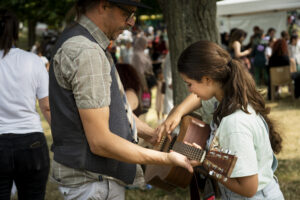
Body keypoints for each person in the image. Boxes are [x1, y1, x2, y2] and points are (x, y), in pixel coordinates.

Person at [49, 1, 194, 200]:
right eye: (128, 14)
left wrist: (151, 135)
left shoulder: (84, 42)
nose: (131, 23)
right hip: (94, 184)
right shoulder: (87, 52)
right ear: (103, 5)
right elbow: (100, 141)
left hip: (96, 182)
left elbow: (111, 115)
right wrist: (165, 158)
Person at [157, 40, 284, 199]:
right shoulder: (226, 100)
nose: (189, 90)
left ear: (207, 79)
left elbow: (248, 188)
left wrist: (206, 162)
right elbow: (197, 99)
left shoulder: (234, 124)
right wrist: (177, 112)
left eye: (189, 84)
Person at [0, 9, 51, 199]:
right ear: (15, 33)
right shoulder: (33, 61)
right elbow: (46, 106)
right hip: (31, 142)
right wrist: (63, 141)